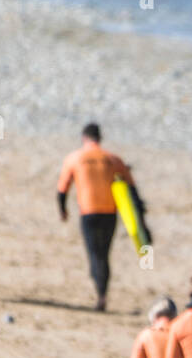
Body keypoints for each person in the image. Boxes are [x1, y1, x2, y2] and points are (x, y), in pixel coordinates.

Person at [56, 122, 146, 311]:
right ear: (100, 138)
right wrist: (140, 220)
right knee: (104, 254)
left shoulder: (74, 158)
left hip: (88, 213)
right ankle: (103, 293)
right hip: (110, 213)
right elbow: (132, 188)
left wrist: (63, 210)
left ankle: (99, 294)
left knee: (93, 253)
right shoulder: (113, 159)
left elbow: (62, 189)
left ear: (84, 137)